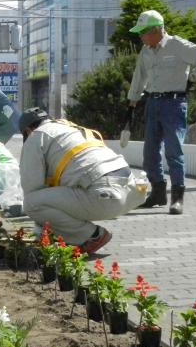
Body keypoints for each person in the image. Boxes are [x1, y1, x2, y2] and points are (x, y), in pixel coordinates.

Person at [18, 107, 147, 255]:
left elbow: (32, 187)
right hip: (132, 191)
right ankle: (71, 235)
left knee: (31, 203)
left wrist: (41, 227)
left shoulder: (36, 136)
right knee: (47, 198)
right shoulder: (69, 128)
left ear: (27, 130)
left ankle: (92, 236)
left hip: (104, 196)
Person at [127, 9, 196, 215]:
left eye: (143, 32)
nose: (141, 36)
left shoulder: (177, 45)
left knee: (173, 151)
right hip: (152, 103)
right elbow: (139, 77)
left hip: (174, 104)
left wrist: (193, 77)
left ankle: (177, 198)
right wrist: (132, 103)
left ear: (156, 30)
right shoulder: (146, 50)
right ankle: (158, 193)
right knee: (150, 153)